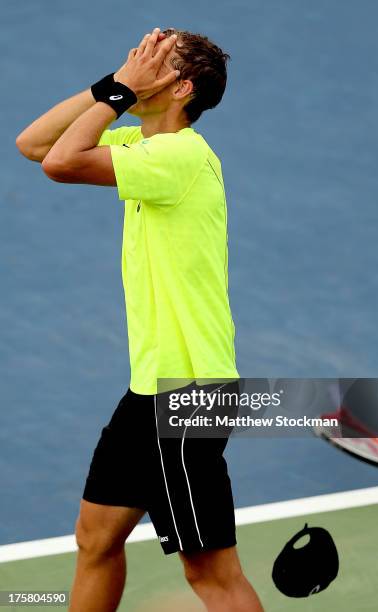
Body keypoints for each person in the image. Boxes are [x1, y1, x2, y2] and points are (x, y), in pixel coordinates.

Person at [16, 27, 264, 612]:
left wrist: (123, 91)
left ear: (181, 87)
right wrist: (114, 86)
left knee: (210, 573)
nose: (136, 58)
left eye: (156, 58)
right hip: (148, 388)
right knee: (95, 538)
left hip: (187, 393)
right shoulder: (141, 145)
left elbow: (61, 163)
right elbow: (33, 144)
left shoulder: (178, 156)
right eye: (138, 52)